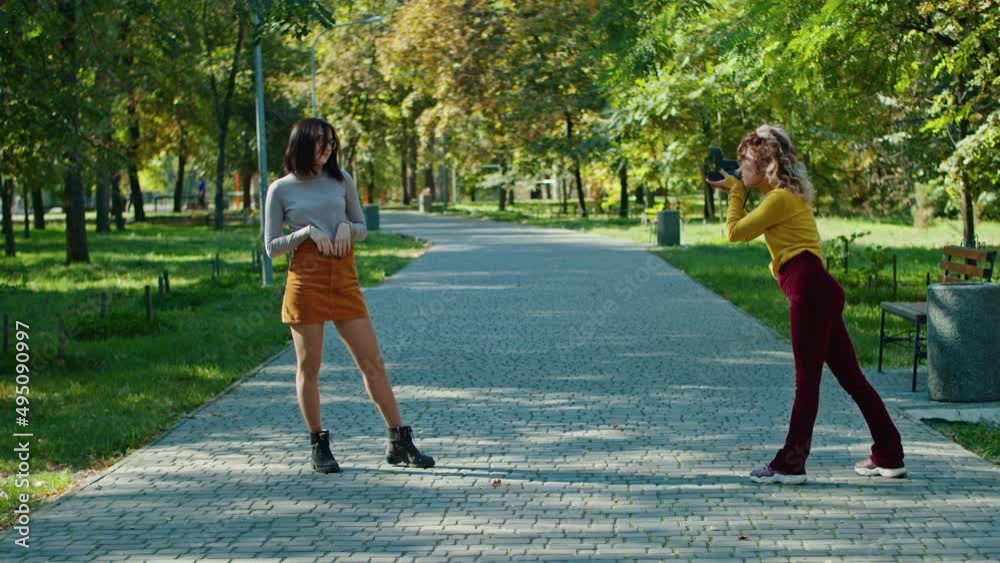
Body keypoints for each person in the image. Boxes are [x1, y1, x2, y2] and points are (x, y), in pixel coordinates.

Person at [705, 124, 905, 485]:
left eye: (746, 162)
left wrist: (735, 192)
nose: (740, 168)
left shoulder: (779, 198)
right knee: (852, 378)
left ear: (766, 165)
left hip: (810, 290)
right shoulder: (780, 197)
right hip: (817, 288)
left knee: (807, 382)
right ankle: (889, 454)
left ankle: (791, 463)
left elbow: (735, 233)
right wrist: (738, 186)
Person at [263, 117, 435, 474]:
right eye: (321, 143)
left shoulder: (342, 181)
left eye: (331, 143)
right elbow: (271, 248)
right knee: (309, 368)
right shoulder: (280, 189)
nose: (328, 149)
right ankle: (318, 445)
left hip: (343, 278)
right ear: (302, 143)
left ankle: (399, 440)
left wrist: (346, 227)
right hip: (306, 280)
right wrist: (306, 233)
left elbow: (362, 229)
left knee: (373, 363)